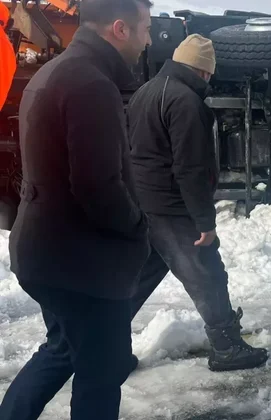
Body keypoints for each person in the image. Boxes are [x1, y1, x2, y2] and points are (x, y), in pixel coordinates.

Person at [0, 0, 152, 418]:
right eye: (144, 29)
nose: (148, 40)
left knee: (62, 349)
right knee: (102, 375)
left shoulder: (57, 71)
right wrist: (138, 228)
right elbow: (97, 186)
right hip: (82, 265)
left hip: (48, 253)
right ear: (120, 28)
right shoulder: (91, 85)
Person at [127, 35, 270, 371]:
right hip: (172, 207)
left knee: (140, 278)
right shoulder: (186, 101)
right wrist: (204, 222)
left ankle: (105, 348)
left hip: (144, 201)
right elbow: (191, 168)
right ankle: (226, 348)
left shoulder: (146, 91)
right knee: (208, 274)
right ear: (204, 71)